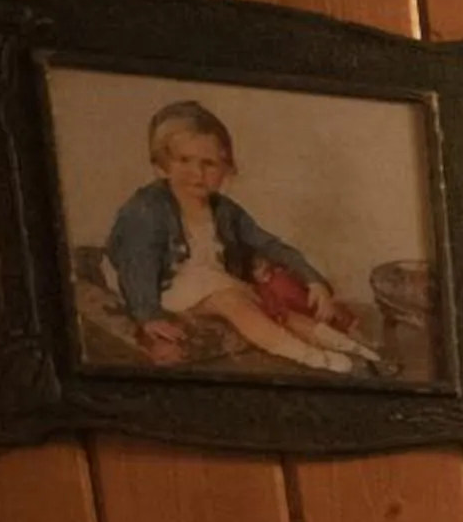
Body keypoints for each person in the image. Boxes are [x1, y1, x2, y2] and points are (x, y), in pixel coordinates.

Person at [104, 100, 384, 374]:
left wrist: (313, 280)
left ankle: (351, 348)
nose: (197, 173)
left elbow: (267, 243)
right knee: (232, 301)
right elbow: (136, 263)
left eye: (209, 163)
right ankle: (311, 357)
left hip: (206, 279)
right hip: (157, 285)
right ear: (162, 164)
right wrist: (147, 313)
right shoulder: (146, 210)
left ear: (226, 168)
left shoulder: (225, 210)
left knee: (269, 303)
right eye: (184, 160)